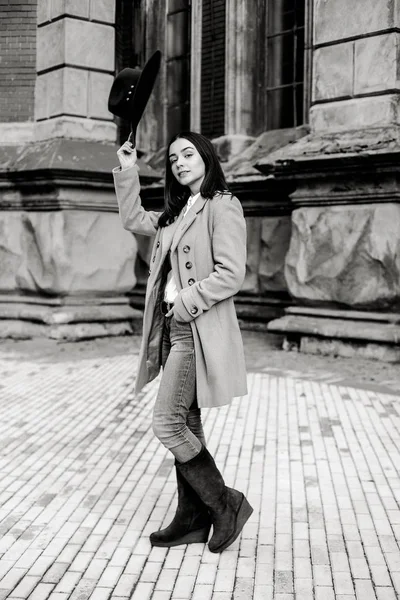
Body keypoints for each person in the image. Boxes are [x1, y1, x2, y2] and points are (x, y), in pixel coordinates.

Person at [113, 131, 253, 553]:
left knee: (167, 423)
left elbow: (231, 273)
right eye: (173, 158)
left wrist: (187, 302)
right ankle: (192, 519)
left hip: (196, 328)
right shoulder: (176, 214)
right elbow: (134, 219)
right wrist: (127, 168)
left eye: (188, 154)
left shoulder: (223, 205)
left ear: (206, 158)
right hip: (173, 331)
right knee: (187, 423)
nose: (179, 162)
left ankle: (225, 503)